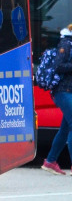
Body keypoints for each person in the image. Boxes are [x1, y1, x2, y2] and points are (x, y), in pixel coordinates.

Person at [43, 24, 72, 175]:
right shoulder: (66, 44)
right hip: (63, 91)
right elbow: (58, 66)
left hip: (69, 91)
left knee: (65, 128)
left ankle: (50, 161)